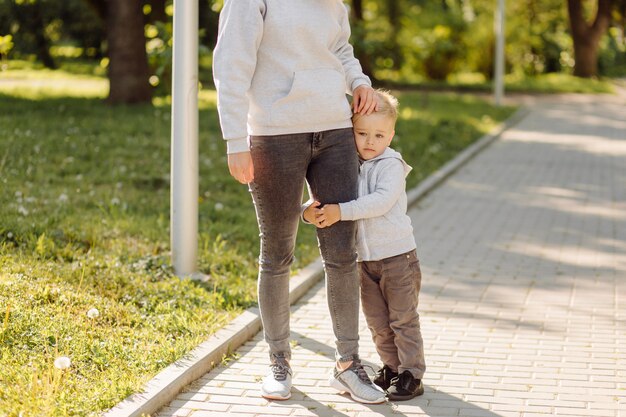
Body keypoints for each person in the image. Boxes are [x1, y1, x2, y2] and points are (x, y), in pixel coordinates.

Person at [212, 0, 386, 404]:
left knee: (343, 253)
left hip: (335, 133)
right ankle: (278, 361)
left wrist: (358, 81)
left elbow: (340, 48)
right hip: (274, 137)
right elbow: (231, 64)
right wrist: (237, 141)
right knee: (277, 252)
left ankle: (348, 364)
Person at [303, 90, 426, 400]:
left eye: (379, 135)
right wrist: (310, 211)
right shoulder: (347, 164)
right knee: (378, 322)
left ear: (391, 134)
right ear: (350, 131)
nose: (371, 141)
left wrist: (340, 212)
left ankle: (412, 373)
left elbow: (380, 202)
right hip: (364, 261)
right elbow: (328, 196)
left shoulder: (391, 164)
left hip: (397, 257)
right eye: (362, 133)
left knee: (402, 319)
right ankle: (391, 367)